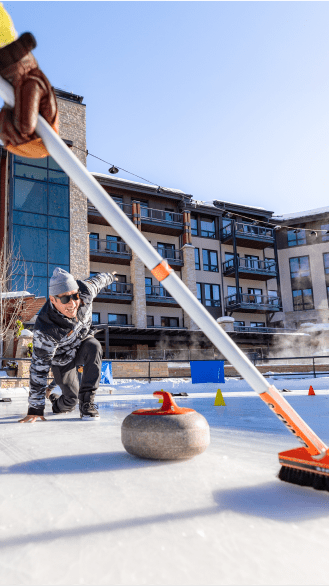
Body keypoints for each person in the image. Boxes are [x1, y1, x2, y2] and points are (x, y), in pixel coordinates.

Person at [19, 268, 116, 422]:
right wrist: (35, 408)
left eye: (74, 296)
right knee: (70, 401)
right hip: (62, 360)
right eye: (65, 299)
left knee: (94, 346)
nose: (72, 304)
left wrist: (111, 275)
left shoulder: (86, 291)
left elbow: (99, 280)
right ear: (53, 300)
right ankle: (56, 402)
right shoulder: (45, 328)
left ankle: (87, 404)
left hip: (82, 343)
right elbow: (39, 368)